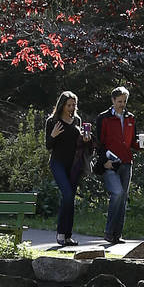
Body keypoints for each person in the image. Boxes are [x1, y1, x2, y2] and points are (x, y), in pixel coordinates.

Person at [93, 85, 140, 245]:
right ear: (113, 100)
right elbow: (98, 142)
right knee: (118, 193)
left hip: (127, 162)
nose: (122, 104)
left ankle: (116, 235)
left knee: (123, 198)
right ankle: (108, 232)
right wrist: (103, 161)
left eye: (124, 101)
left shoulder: (131, 118)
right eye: (119, 101)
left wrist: (141, 144)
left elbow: (133, 142)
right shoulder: (103, 118)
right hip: (109, 163)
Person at [45, 90, 91, 247]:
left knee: (70, 198)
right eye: (69, 105)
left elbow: (81, 146)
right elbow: (48, 146)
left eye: (74, 105)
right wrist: (53, 135)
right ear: (62, 105)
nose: (72, 108)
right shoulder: (53, 121)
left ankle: (68, 235)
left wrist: (86, 139)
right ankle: (60, 233)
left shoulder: (77, 120)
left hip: (74, 165)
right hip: (57, 163)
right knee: (67, 194)